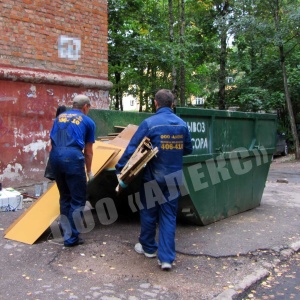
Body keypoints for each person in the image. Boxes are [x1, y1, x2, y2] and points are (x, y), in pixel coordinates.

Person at [115, 89, 193, 270]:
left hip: (153, 177)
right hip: (173, 177)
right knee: (168, 215)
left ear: (155, 103)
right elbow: (188, 149)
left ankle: (149, 248)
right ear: (172, 104)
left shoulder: (149, 124)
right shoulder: (182, 125)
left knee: (149, 212)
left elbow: (132, 149)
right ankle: (166, 259)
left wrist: (120, 169)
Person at [49, 94, 96, 247]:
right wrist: (89, 171)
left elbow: (52, 140)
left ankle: (66, 231)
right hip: (73, 159)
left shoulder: (60, 117)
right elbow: (88, 151)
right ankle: (71, 238)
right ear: (85, 107)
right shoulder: (88, 121)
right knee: (77, 199)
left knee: (65, 197)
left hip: (55, 157)